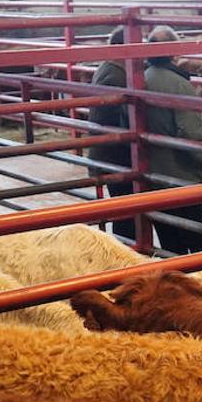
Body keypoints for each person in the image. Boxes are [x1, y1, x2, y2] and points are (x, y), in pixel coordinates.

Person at [143, 25, 202, 255]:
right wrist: (201, 161)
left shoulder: (140, 79)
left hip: (152, 174)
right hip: (181, 175)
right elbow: (192, 131)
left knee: (170, 241)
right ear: (174, 52)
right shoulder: (179, 84)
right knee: (199, 238)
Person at [87, 26, 135, 242]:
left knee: (124, 209)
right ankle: (128, 255)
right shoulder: (116, 76)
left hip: (108, 152)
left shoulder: (108, 70)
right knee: (126, 212)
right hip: (116, 154)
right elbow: (120, 118)